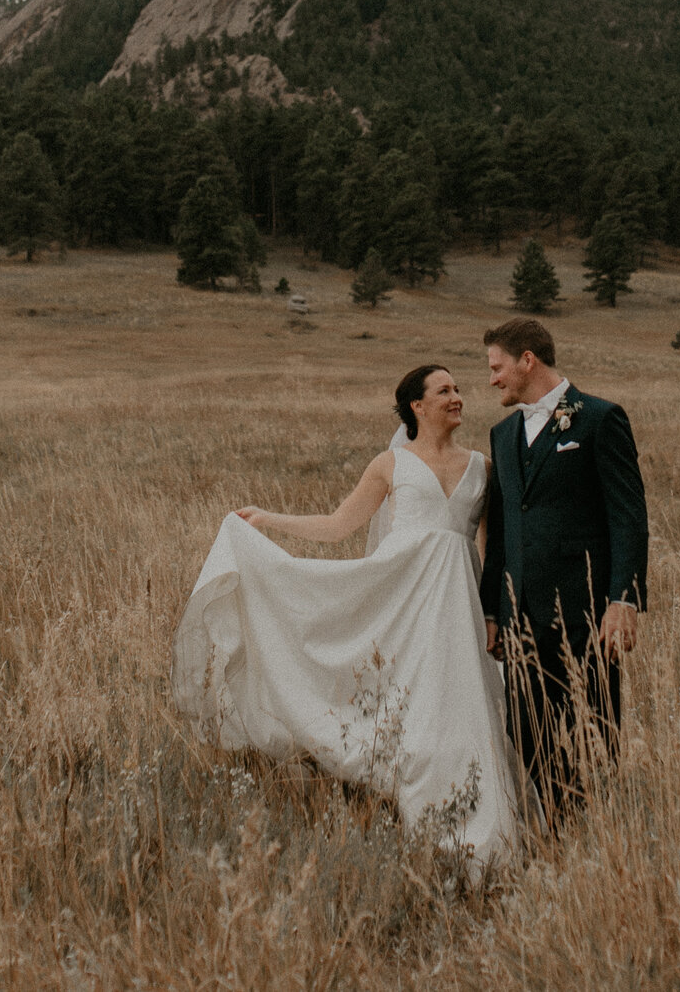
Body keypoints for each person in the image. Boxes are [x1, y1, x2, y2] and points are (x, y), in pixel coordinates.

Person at [171, 364, 525, 868]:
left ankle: (479, 842)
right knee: (415, 716)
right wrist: (268, 519)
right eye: (444, 390)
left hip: (458, 605)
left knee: (463, 711)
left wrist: (494, 613)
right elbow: (340, 526)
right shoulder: (390, 464)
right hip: (400, 601)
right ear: (417, 407)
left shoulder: (482, 467)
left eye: (458, 389)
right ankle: (426, 831)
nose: (458, 397)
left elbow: (490, 551)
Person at [477, 318, 648, 820]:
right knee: (526, 730)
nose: (492, 380)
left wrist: (624, 599)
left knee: (595, 727)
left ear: (527, 360)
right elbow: (502, 531)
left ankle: (601, 828)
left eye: (497, 367)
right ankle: (564, 820)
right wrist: (494, 609)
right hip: (520, 614)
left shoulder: (599, 418)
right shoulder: (502, 434)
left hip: (587, 610)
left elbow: (628, 515)